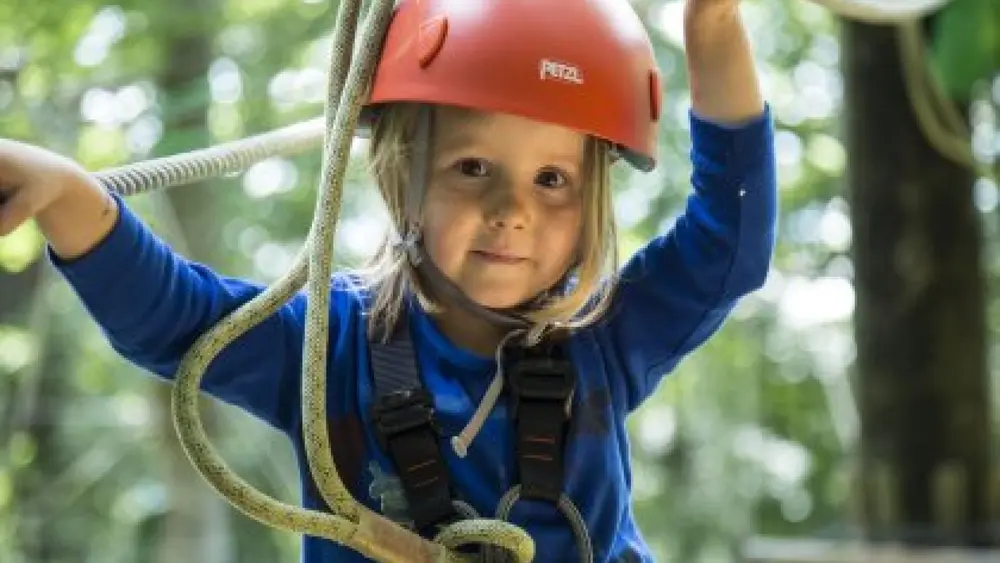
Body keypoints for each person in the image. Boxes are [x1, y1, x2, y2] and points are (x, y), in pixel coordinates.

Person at [0, 0, 776, 561]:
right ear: (401, 174)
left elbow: (728, 241)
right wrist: (70, 198)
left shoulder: (603, 338)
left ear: (591, 204)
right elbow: (180, 322)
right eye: (473, 168)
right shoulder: (328, 346)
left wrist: (713, 26)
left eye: (551, 179)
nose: (512, 211)